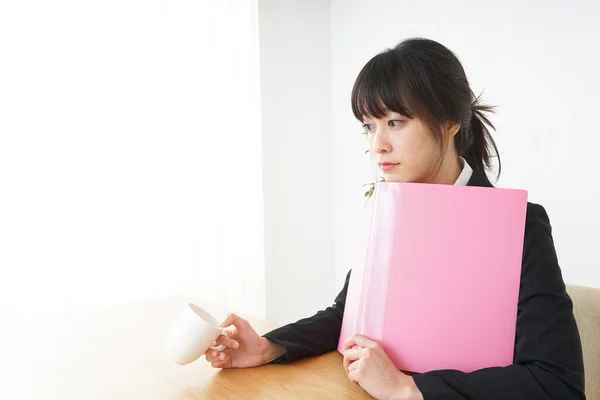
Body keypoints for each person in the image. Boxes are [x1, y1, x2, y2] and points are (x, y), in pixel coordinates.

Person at [203, 38, 586, 400]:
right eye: (369, 126)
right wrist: (270, 346)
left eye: (396, 122)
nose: (377, 145)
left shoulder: (518, 225)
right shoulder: (390, 210)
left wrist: (409, 390)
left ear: (451, 120)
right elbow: (348, 314)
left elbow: (557, 383)